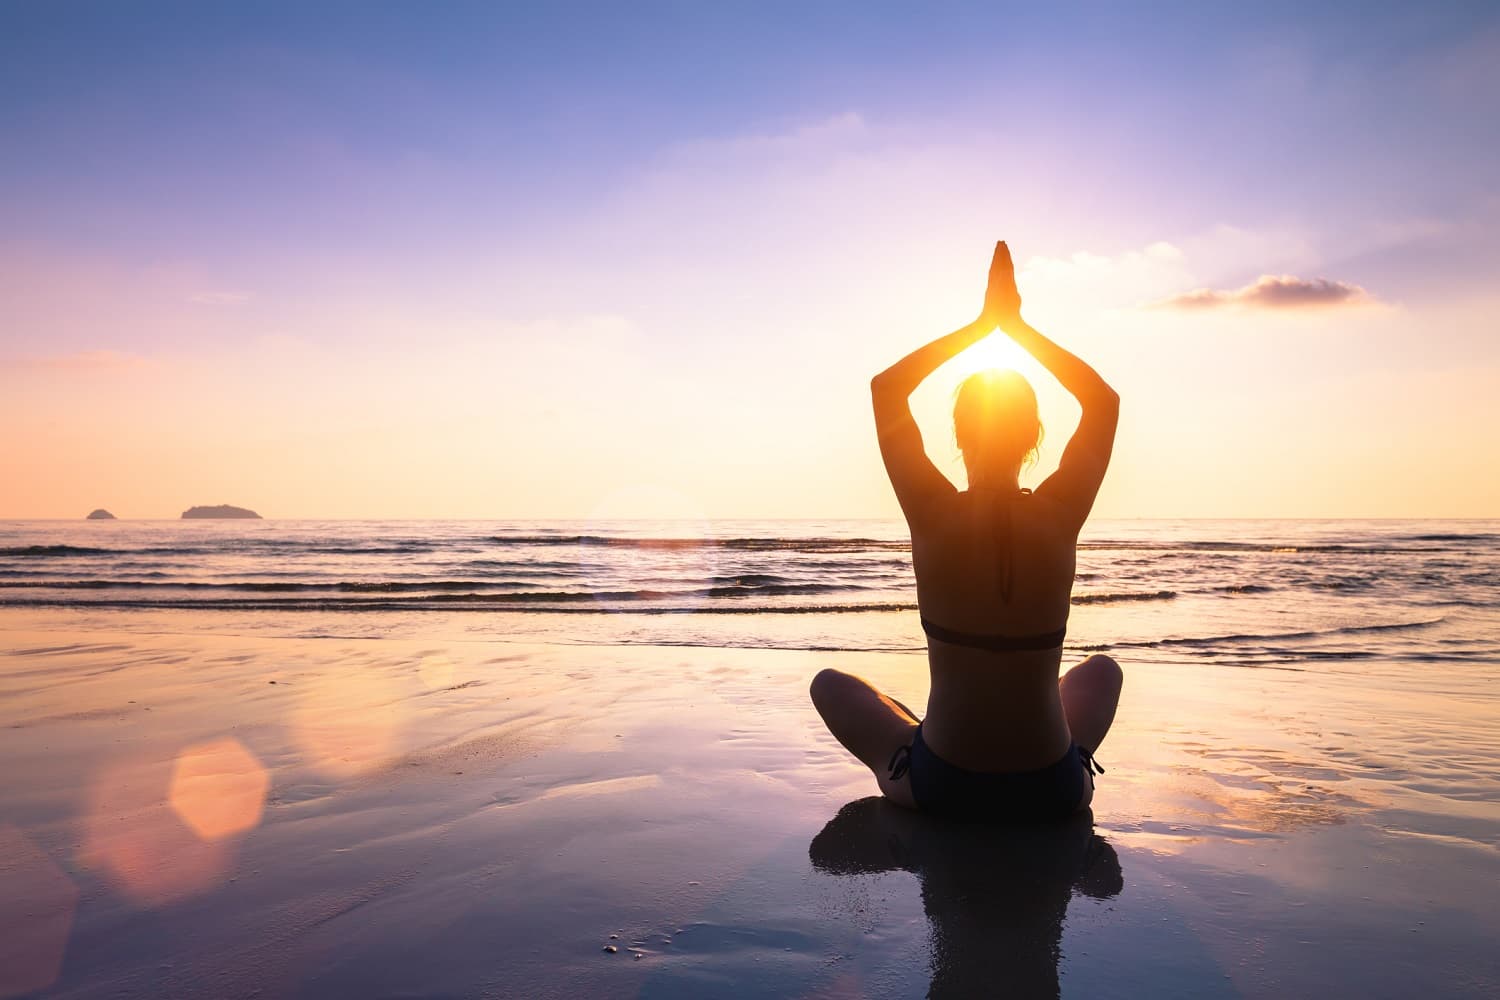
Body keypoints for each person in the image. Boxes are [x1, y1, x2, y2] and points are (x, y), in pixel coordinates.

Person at [810, 241, 1123, 820]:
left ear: (956, 435)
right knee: (1102, 671)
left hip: (945, 787)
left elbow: (886, 389)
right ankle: (1073, 759)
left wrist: (981, 326)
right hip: (1051, 791)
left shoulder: (932, 511)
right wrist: (1017, 327)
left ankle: (910, 744)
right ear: (1034, 438)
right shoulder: (1060, 512)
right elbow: (1102, 403)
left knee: (831, 684)